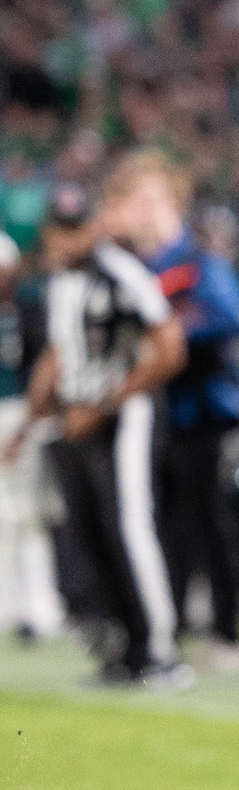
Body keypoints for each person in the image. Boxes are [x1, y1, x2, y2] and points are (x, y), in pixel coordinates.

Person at [13, 183, 186, 682]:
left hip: (127, 414)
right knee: (89, 531)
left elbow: (170, 345)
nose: (69, 241)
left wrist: (107, 401)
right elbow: (58, 353)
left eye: (78, 229)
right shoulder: (60, 280)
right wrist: (27, 423)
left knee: (131, 526)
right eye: (61, 231)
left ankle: (158, 649)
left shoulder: (120, 273)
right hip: (77, 415)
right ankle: (121, 643)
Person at [107, 152, 239, 650]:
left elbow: (233, 317)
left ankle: (226, 626)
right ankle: (169, 619)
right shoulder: (127, 267)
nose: (145, 211)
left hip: (200, 409)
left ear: (174, 203)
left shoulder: (197, 262)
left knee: (209, 517)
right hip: (148, 413)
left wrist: (170, 335)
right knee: (159, 520)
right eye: (137, 200)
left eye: (154, 199)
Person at [0, 231, 66, 642]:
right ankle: (12, 604)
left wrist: (26, 424)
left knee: (31, 516)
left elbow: (46, 365)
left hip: (25, 413)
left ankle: (42, 606)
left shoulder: (30, 307)